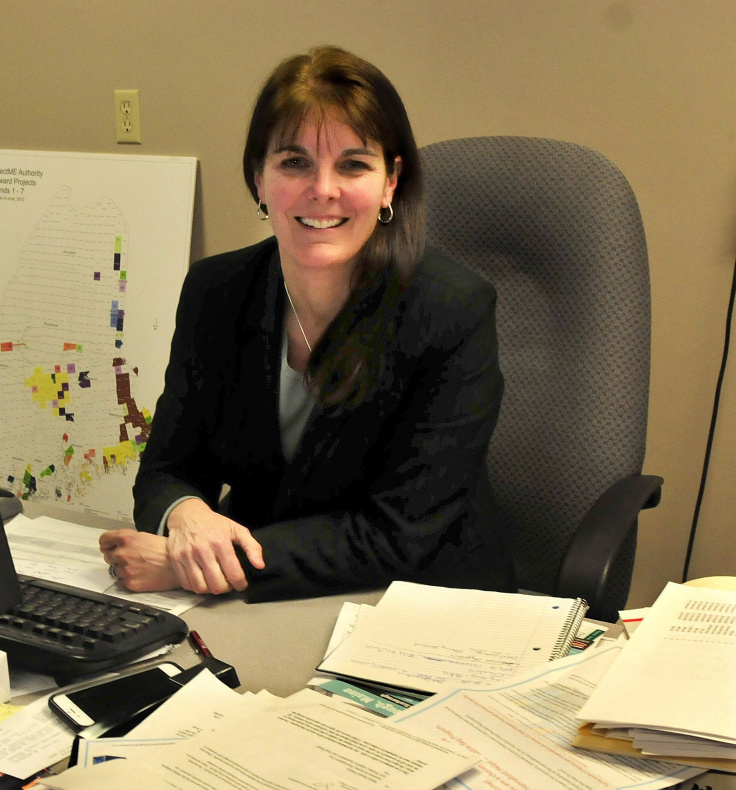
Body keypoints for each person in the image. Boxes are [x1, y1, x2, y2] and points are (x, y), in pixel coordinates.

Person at [100, 46, 514, 602]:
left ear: (391, 182)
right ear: (259, 179)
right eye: (295, 162)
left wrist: (190, 568)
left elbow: (395, 535)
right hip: (266, 606)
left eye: (353, 164)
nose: (323, 189)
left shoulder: (450, 311)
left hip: (417, 606)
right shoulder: (216, 293)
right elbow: (167, 468)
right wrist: (186, 516)